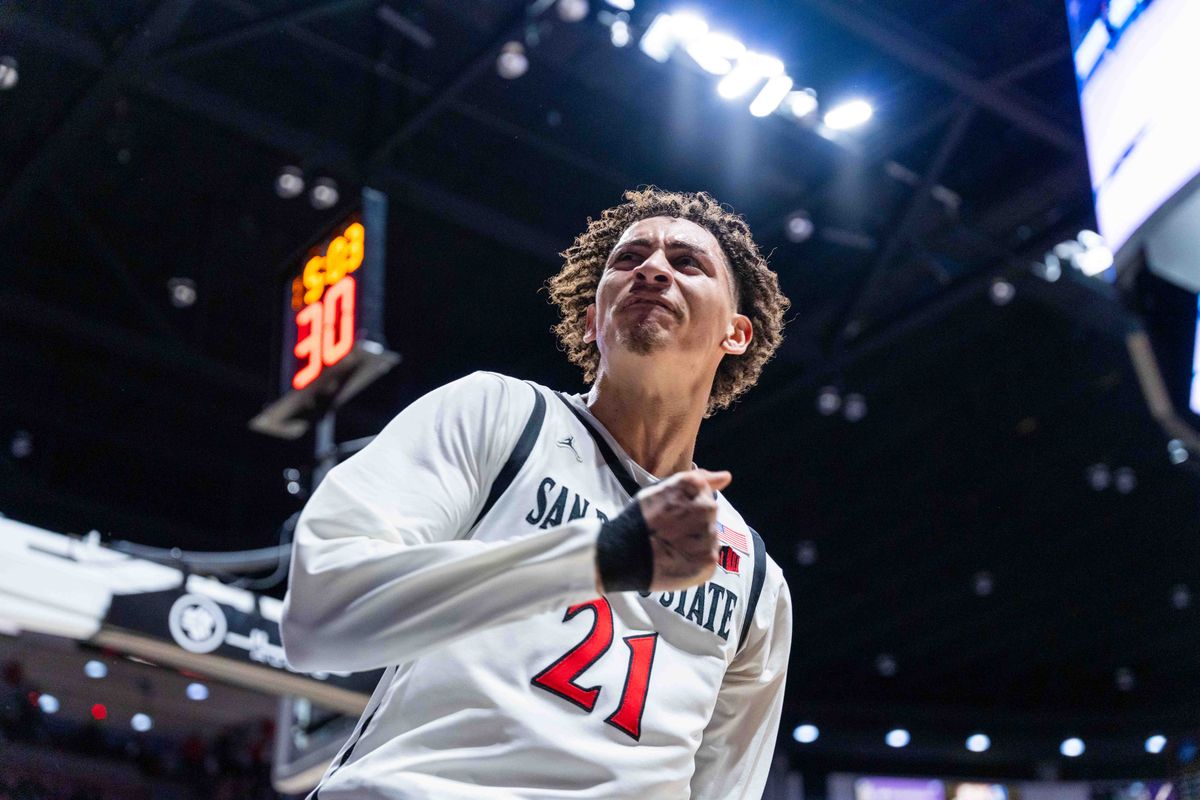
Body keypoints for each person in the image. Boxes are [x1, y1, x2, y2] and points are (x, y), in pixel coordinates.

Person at [282, 187, 793, 799]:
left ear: (736, 334)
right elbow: (320, 613)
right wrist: (597, 558)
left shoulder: (756, 578)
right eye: (628, 261)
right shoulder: (499, 413)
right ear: (591, 317)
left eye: (687, 263)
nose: (652, 269)